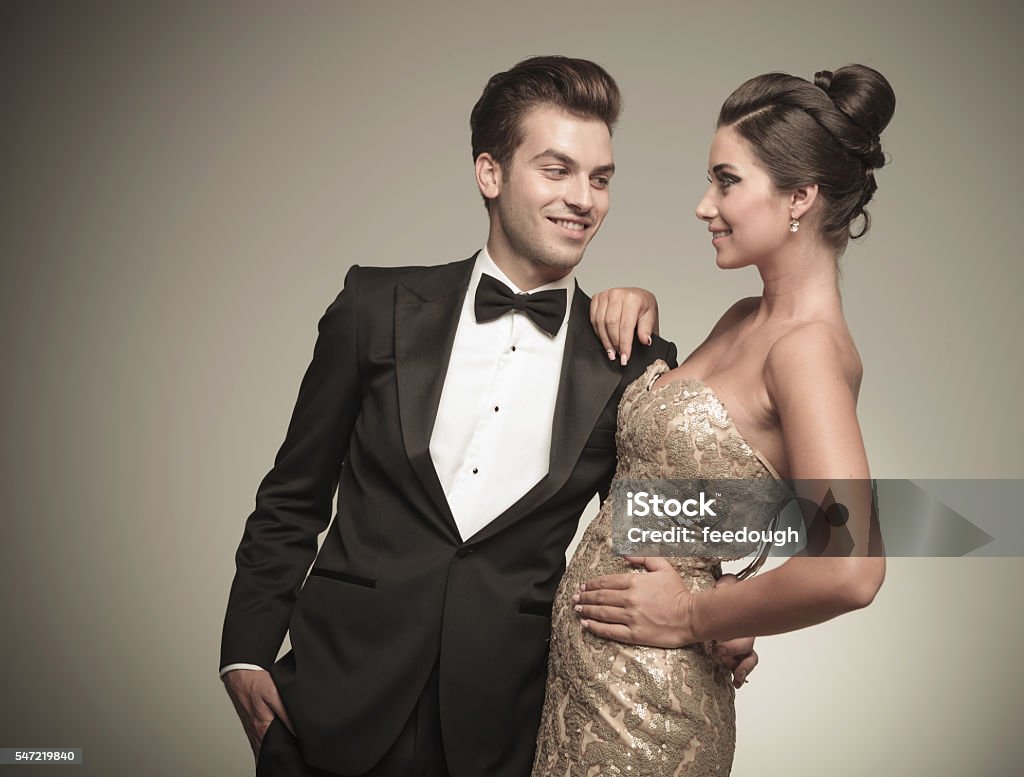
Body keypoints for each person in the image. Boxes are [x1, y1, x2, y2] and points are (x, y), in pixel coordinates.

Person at [220, 55, 756, 777]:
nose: (584, 199)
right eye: (556, 169)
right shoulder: (373, 309)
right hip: (327, 700)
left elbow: (657, 522)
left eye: (600, 179)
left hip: (503, 724)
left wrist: (721, 607)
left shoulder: (632, 359)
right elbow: (292, 495)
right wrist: (245, 650)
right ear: (490, 173)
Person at [532, 64, 895, 776]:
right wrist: (733, 598)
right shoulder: (745, 319)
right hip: (587, 686)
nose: (704, 205)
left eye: (726, 181)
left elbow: (851, 566)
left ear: (800, 196)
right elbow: (723, 488)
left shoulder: (807, 351)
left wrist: (695, 615)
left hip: (647, 713)